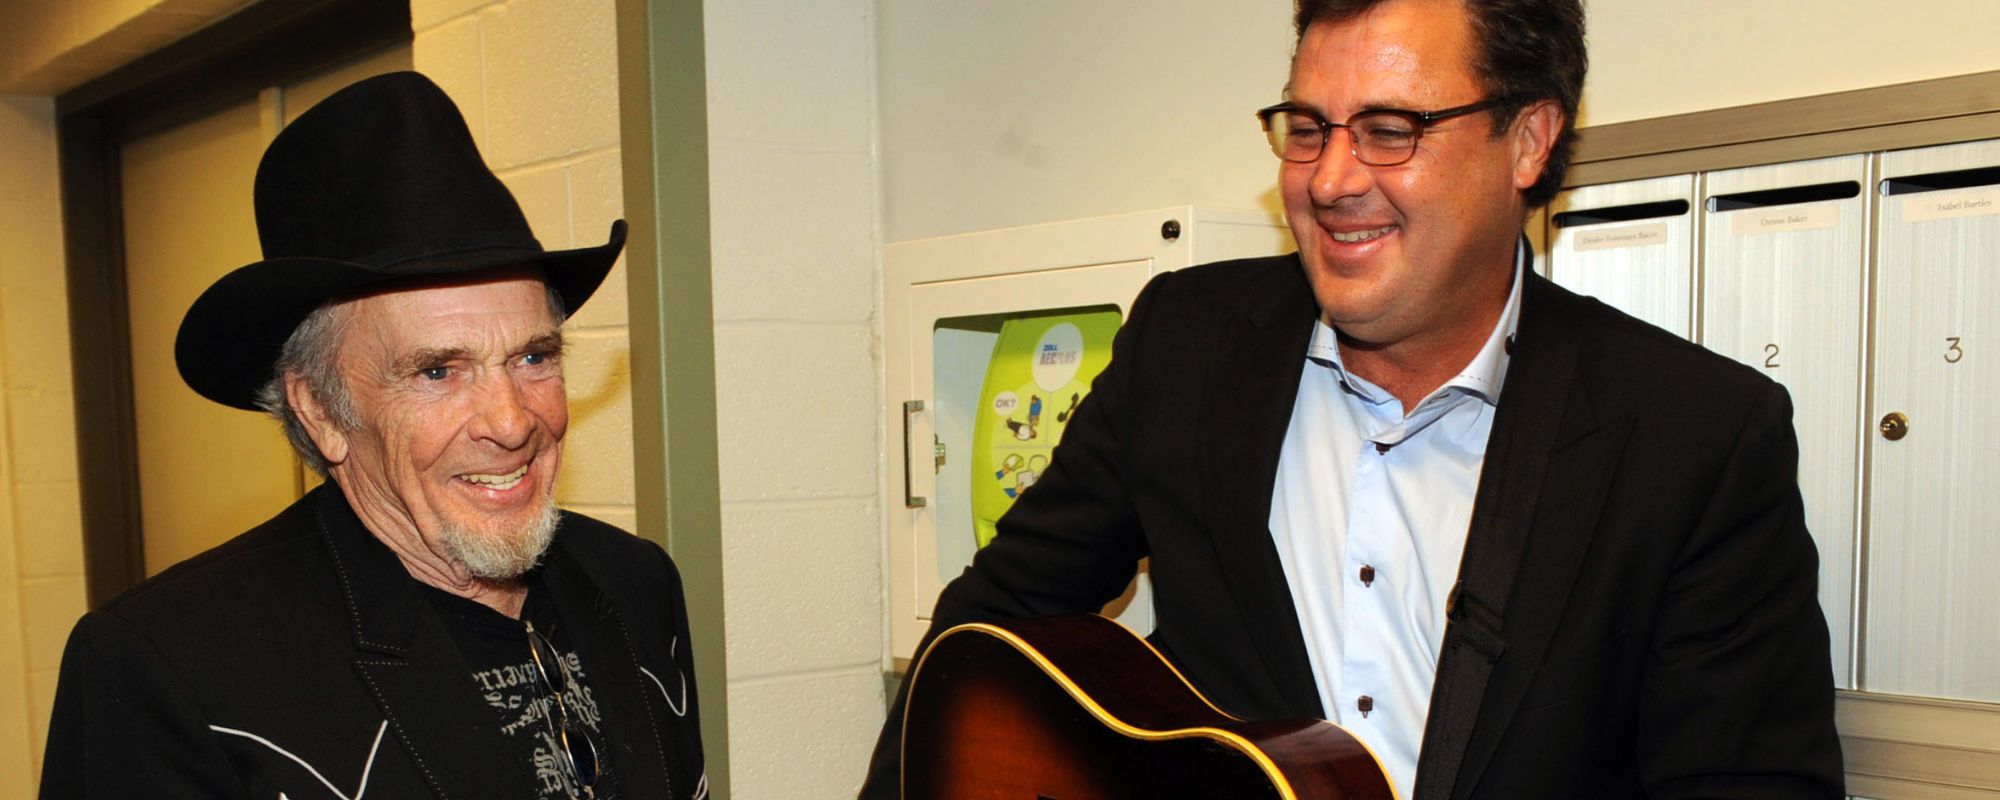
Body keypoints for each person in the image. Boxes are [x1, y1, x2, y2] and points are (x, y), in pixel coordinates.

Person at [862, 0, 1844, 797]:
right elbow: (988, 626)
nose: (1330, 180)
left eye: (1388, 130)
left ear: (1528, 140)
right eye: (1307, 129)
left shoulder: (1696, 439)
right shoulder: (1185, 345)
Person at [41, 72, 706, 800]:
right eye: (437, 371)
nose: (512, 420)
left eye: (533, 358)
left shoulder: (634, 582)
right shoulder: (169, 666)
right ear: (321, 411)